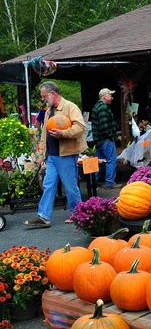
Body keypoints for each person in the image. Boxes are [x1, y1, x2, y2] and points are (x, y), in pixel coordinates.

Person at [24, 81, 87, 227]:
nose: (43, 99)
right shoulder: (48, 111)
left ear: (52, 94)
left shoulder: (70, 107)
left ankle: (79, 215)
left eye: (44, 96)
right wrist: (42, 155)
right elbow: (44, 134)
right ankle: (43, 217)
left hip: (65, 154)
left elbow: (80, 127)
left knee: (70, 186)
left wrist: (63, 133)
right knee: (48, 184)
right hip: (52, 155)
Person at [91, 88, 121, 188]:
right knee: (111, 160)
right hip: (105, 139)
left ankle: (93, 182)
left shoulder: (97, 106)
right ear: (104, 97)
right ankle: (109, 183)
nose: (112, 97)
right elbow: (104, 125)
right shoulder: (103, 107)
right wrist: (111, 136)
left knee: (98, 161)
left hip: (98, 139)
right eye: (110, 95)